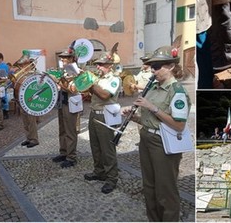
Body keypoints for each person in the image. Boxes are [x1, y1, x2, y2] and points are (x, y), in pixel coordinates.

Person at [120, 45, 191, 222]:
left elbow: (179, 125)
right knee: (149, 186)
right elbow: (150, 119)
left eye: (157, 66)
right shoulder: (153, 88)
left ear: (171, 67)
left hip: (163, 142)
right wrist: (134, 117)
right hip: (146, 138)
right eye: (152, 66)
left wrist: (152, 107)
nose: (153, 70)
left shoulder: (177, 92)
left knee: (165, 189)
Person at [85, 51, 122, 194]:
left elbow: (105, 95)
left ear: (110, 66)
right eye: (97, 65)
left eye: (101, 65)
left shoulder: (114, 79)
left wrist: (90, 83)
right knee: (95, 146)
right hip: (94, 113)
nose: (98, 67)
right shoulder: (98, 79)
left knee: (107, 148)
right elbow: (92, 94)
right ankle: (99, 171)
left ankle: (112, 178)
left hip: (105, 115)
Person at [52, 49, 81, 168]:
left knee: (70, 131)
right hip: (62, 101)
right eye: (62, 58)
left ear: (72, 59)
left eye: (65, 58)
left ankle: (71, 157)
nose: (62, 60)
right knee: (62, 129)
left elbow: (72, 89)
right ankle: (63, 152)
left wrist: (57, 81)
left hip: (71, 102)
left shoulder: (76, 71)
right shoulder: (64, 71)